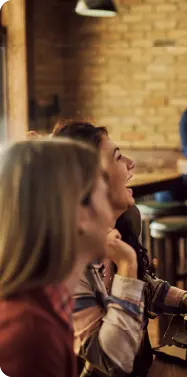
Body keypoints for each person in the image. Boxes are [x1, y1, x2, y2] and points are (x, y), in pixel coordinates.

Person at [52, 121, 187, 377]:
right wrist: (126, 265)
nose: (130, 163)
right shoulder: (68, 266)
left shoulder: (121, 229)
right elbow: (110, 363)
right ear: (90, 180)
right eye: (117, 157)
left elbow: (144, 285)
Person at [0, 139, 113, 377]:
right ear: (79, 212)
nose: (111, 212)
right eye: (104, 195)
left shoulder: (48, 304)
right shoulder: (29, 334)